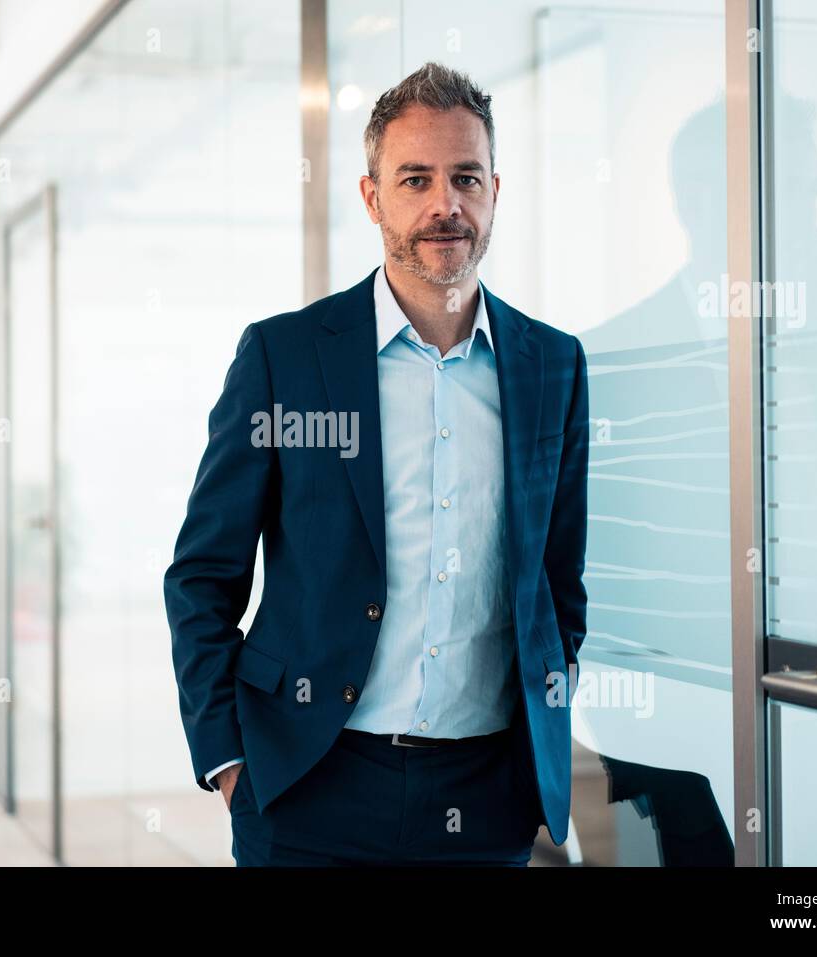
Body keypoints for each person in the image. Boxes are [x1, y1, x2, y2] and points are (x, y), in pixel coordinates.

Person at [165, 62, 587, 866]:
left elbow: (559, 585)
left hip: (484, 795)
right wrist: (230, 764)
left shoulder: (552, 367)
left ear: (495, 189)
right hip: (307, 784)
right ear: (372, 197)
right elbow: (201, 575)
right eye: (415, 179)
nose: (445, 204)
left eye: (465, 177)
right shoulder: (285, 357)